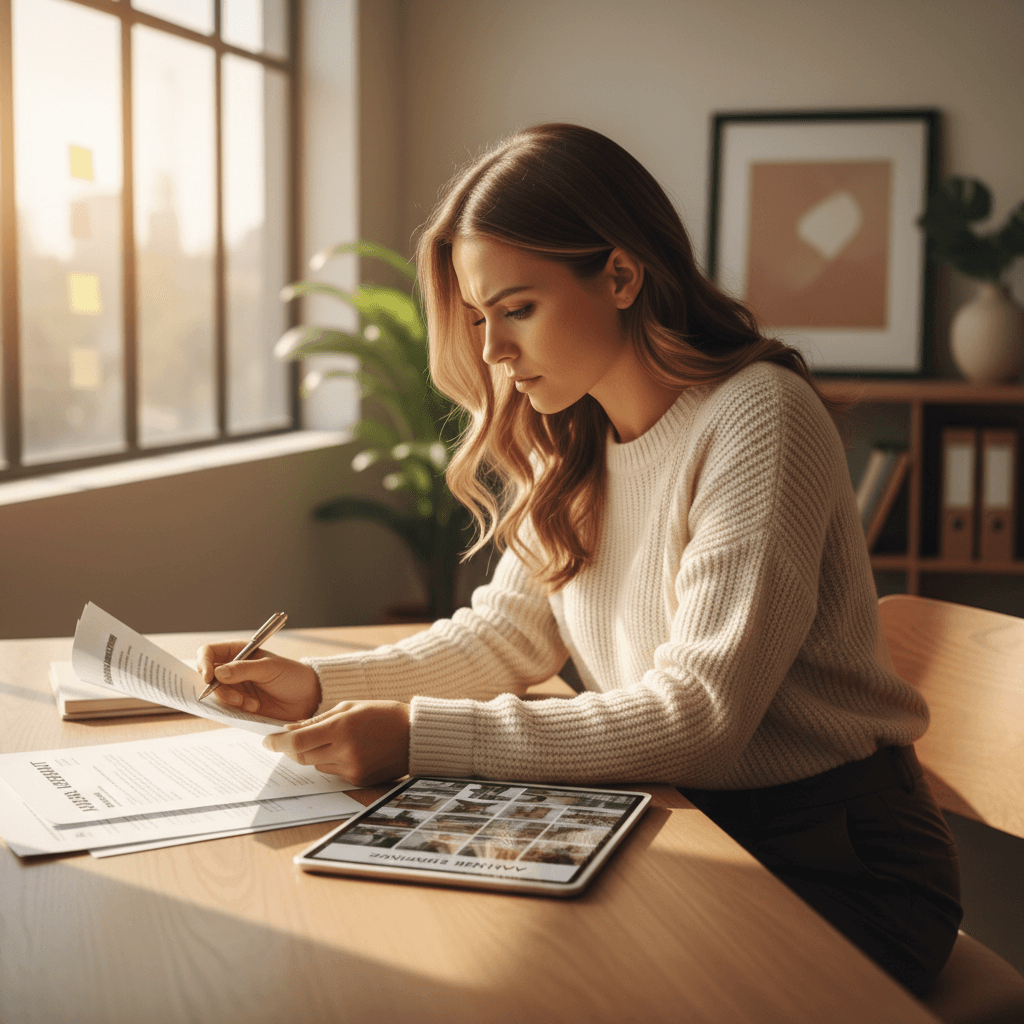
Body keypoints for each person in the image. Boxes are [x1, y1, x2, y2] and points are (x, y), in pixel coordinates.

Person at [197, 123, 961, 996]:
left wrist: (416, 735)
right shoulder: (573, 437)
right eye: (480, 318)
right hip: (677, 821)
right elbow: (504, 640)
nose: (490, 351)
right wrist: (325, 688)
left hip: (835, 863)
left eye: (517, 308)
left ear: (622, 275)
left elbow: (700, 719)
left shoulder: (758, 419)